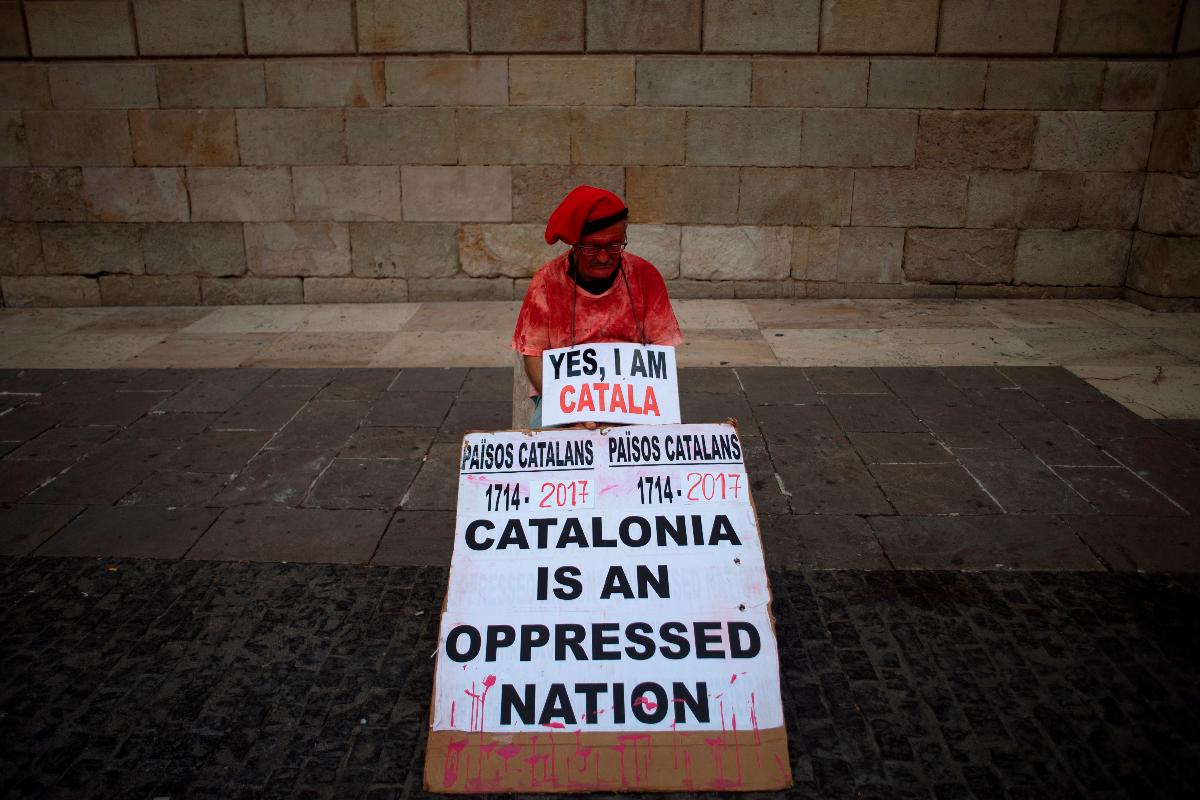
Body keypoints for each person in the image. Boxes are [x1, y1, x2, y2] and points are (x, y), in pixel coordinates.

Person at [512, 185, 683, 427]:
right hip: (563, 397)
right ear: (574, 245)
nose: (604, 257)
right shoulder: (547, 281)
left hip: (633, 395)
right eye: (592, 248)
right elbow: (533, 355)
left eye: (614, 246)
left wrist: (622, 419)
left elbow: (662, 350)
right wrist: (570, 415)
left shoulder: (645, 276)